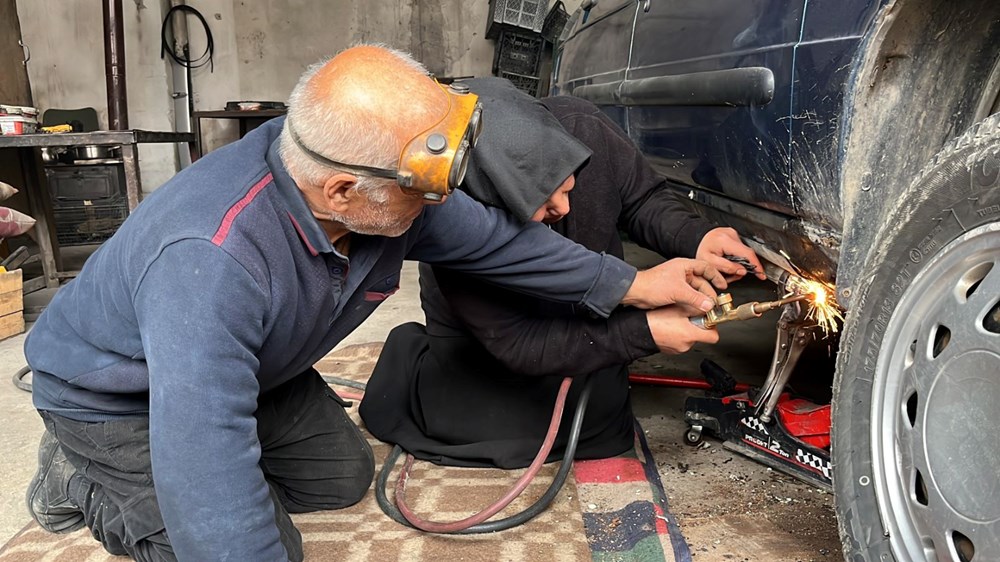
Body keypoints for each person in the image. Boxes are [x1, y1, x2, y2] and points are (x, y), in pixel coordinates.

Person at [23, 46, 727, 562]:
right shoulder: (211, 264)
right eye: (424, 191)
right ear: (342, 193)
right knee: (238, 531)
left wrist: (634, 285)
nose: (441, 201)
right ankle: (81, 481)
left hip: (256, 367)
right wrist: (210, 504)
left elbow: (500, 246)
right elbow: (206, 459)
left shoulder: (361, 176)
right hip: (115, 397)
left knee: (340, 477)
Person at [361, 78, 766, 468]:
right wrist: (644, 332)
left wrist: (697, 237)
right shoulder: (456, 222)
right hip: (494, 344)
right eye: (541, 203)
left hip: (585, 320)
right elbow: (518, 343)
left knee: (601, 423)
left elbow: (642, 198)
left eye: (569, 188)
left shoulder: (581, 127)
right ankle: (412, 358)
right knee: (497, 432)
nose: (564, 210)